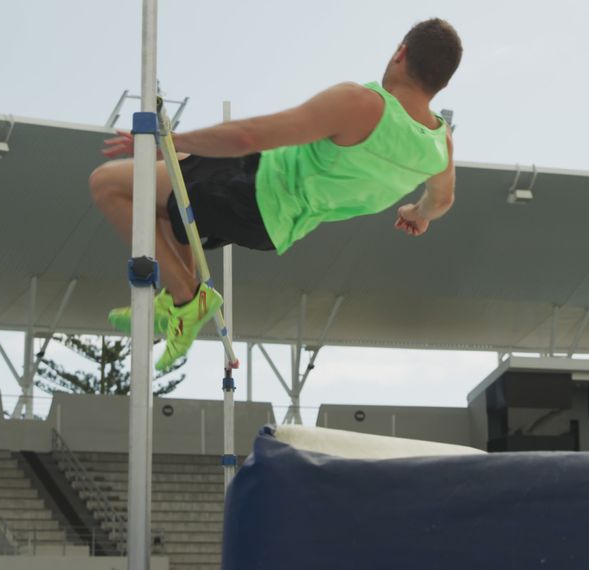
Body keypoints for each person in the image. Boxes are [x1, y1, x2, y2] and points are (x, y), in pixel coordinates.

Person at [89, 18, 462, 370]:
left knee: (108, 183)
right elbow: (441, 201)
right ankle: (178, 296)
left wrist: (170, 140)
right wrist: (416, 212)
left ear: (400, 52)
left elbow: (248, 136)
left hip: (250, 186)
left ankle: (186, 299)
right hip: (274, 227)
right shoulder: (439, 146)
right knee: (178, 183)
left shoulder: (363, 104)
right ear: (441, 84)